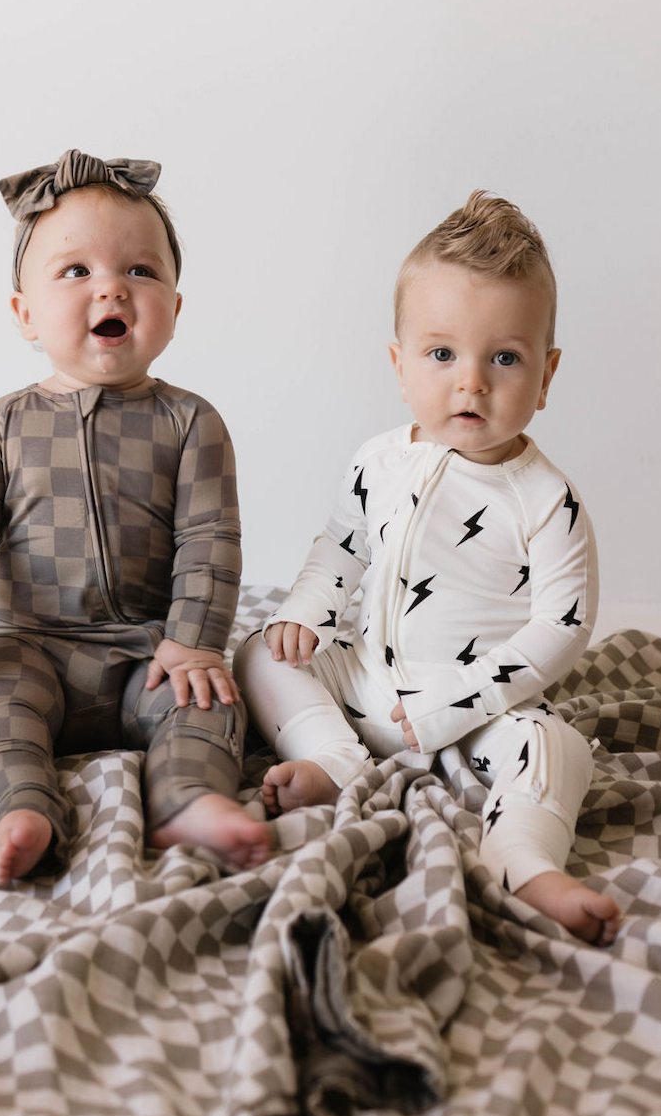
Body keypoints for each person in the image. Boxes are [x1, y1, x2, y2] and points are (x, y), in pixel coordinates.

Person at [234, 191, 620, 945]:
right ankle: (332, 758)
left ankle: (526, 860)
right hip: (369, 680)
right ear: (400, 364)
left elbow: (564, 628)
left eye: (504, 357)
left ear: (547, 374)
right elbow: (340, 548)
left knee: (560, 748)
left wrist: (456, 704)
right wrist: (306, 614)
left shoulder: (545, 498)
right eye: (442, 354)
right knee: (258, 650)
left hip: (479, 712)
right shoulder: (378, 461)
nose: (470, 381)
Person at [0, 146, 270, 885]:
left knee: (210, 705)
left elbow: (211, 539)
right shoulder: (4, 424)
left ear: (174, 305)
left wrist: (195, 642)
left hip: (151, 649)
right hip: (30, 642)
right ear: (25, 314)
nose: (111, 288)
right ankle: (21, 805)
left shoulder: (190, 422)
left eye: (141, 270)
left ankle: (189, 799)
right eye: (76, 272)